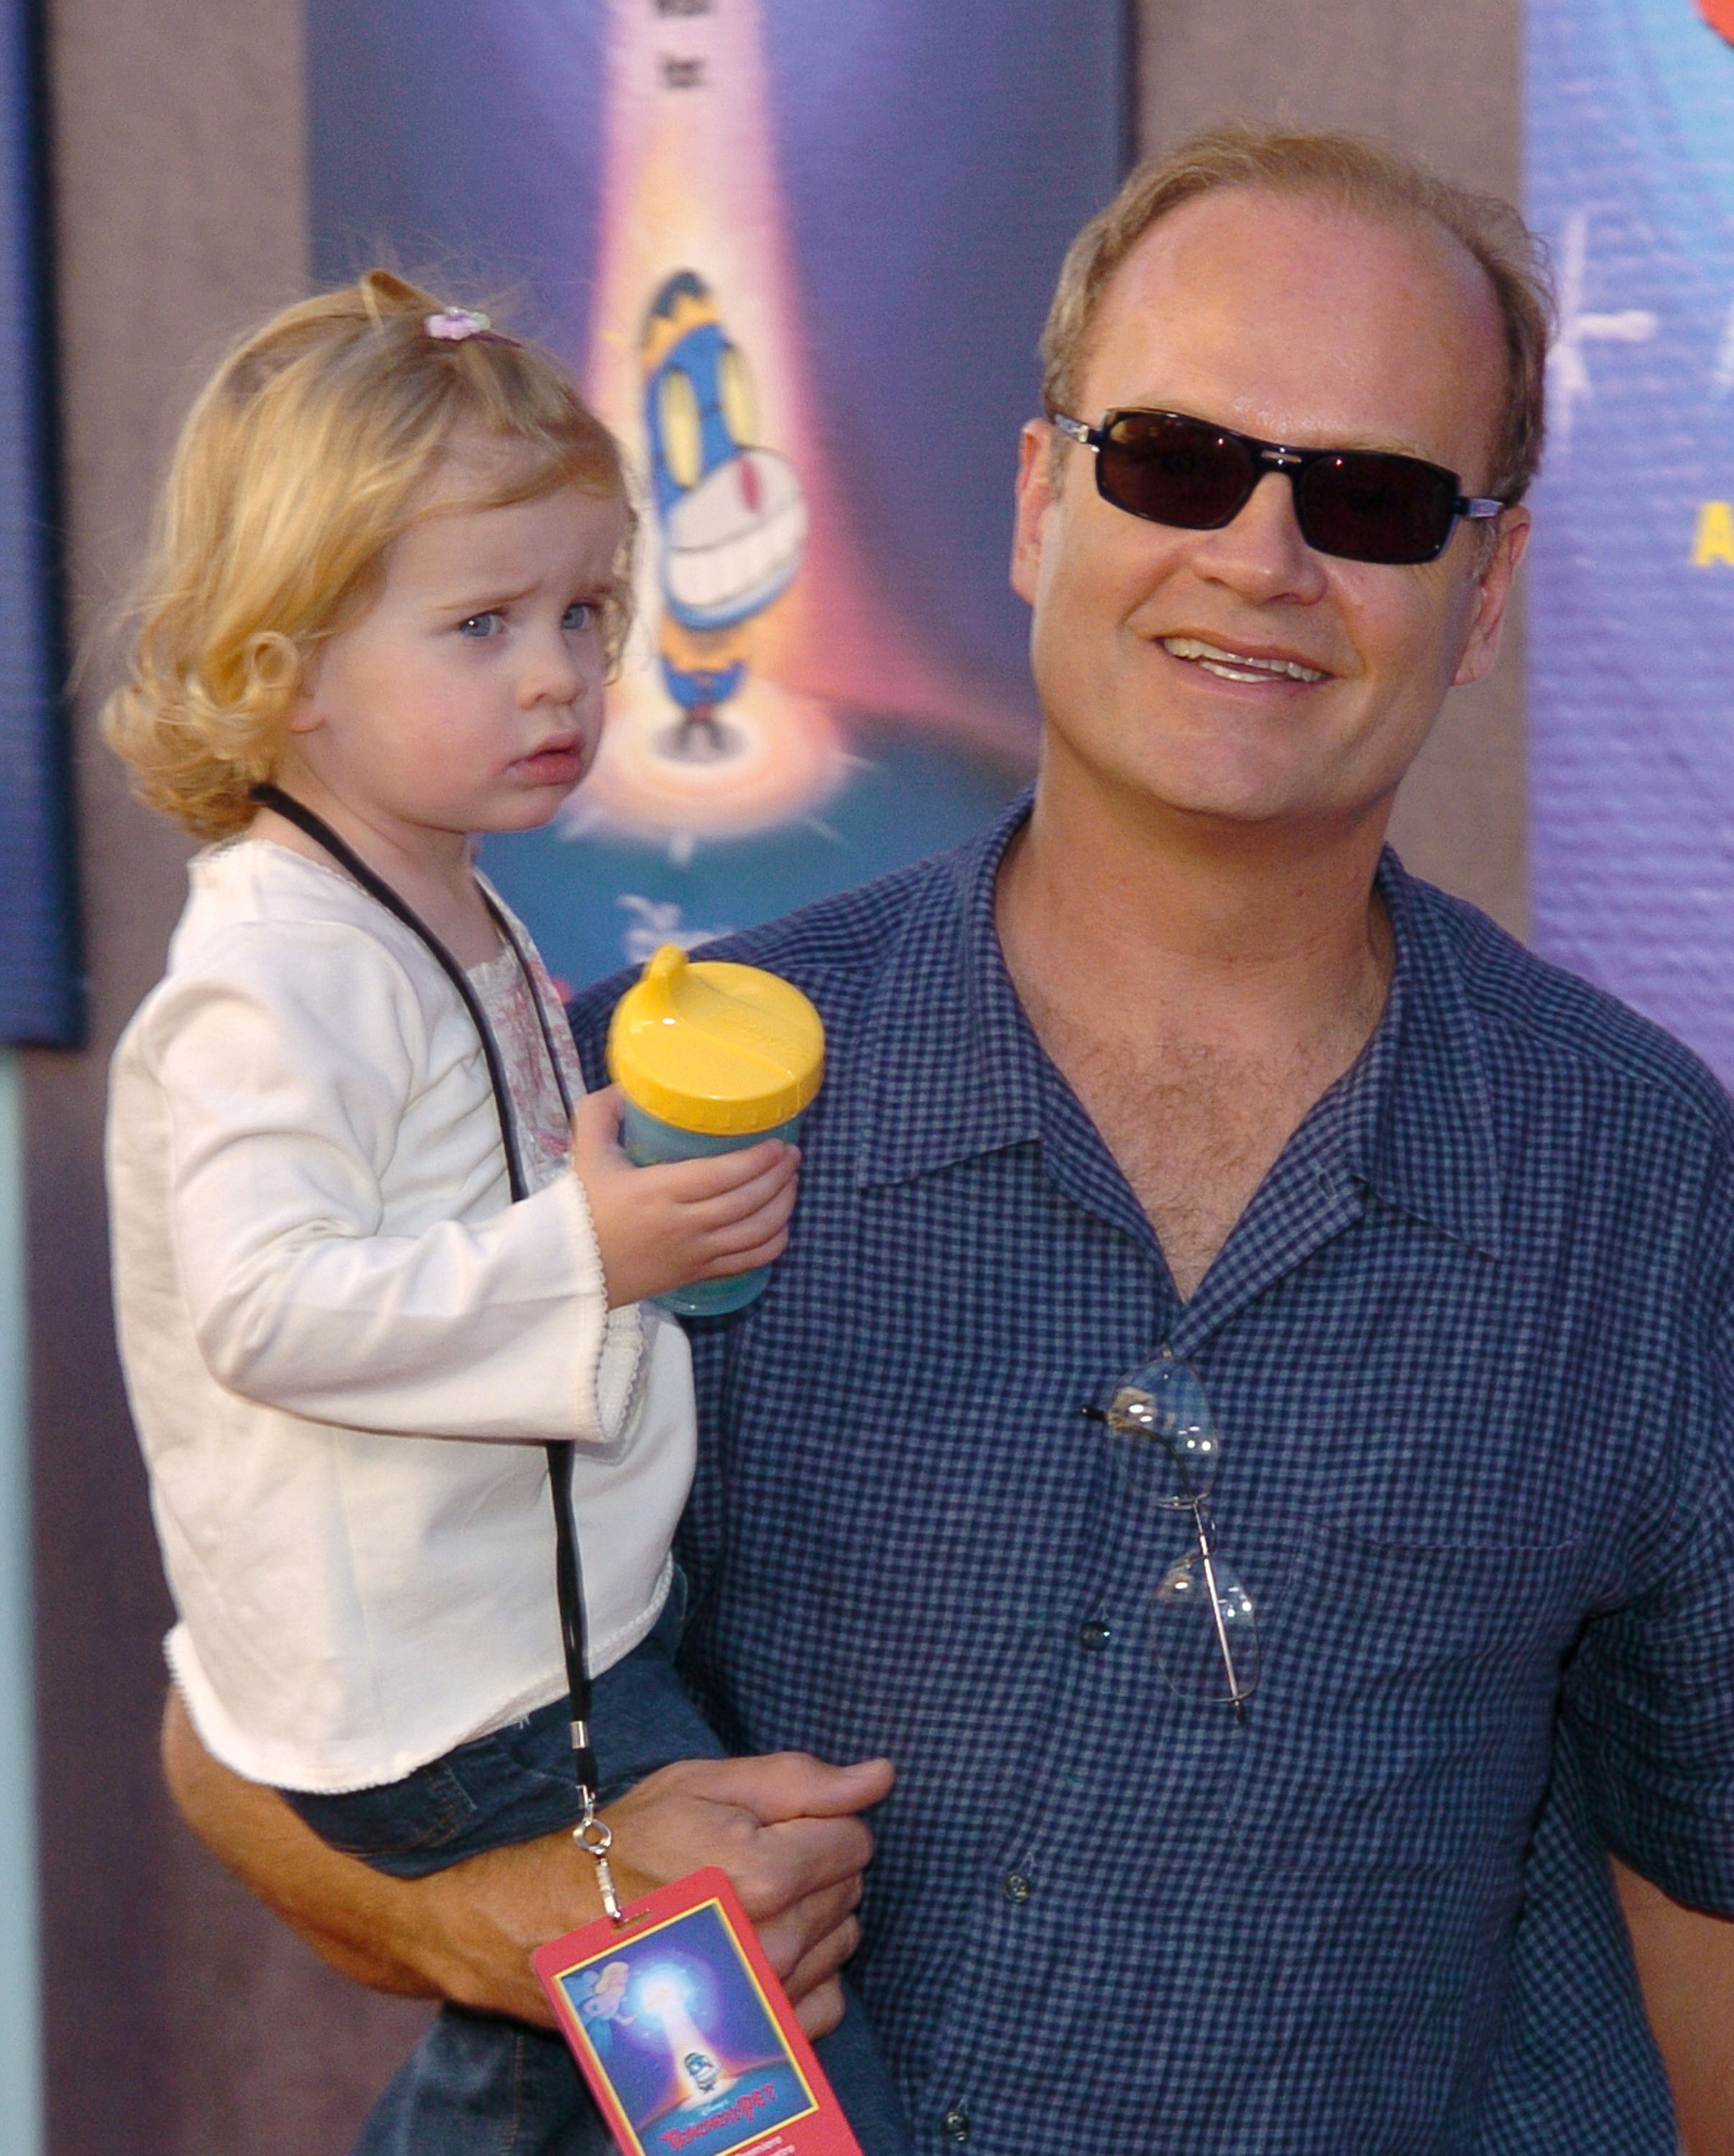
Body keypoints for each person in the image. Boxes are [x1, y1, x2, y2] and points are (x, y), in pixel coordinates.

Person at [162, 131, 1734, 2152]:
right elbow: (243, 1737)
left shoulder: (1639, 1179)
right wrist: (558, 1922)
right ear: (1036, 501)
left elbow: (1706, 1895)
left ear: (1488, 588)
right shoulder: (628, 1098)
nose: (1262, 557)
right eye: (1175, 457)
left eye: (1372, 498)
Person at [103, 270, 905, 2155]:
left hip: (532, 1630)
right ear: (281, 665)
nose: (559, 676)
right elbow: (269, 1307)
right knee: (746, 2070)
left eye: (584, 614)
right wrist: (591, 1253)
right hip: (454, 1701)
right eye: (482, 625)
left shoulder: (438, 896)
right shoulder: (271, 980)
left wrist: (603, 1186)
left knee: (559, 2052)